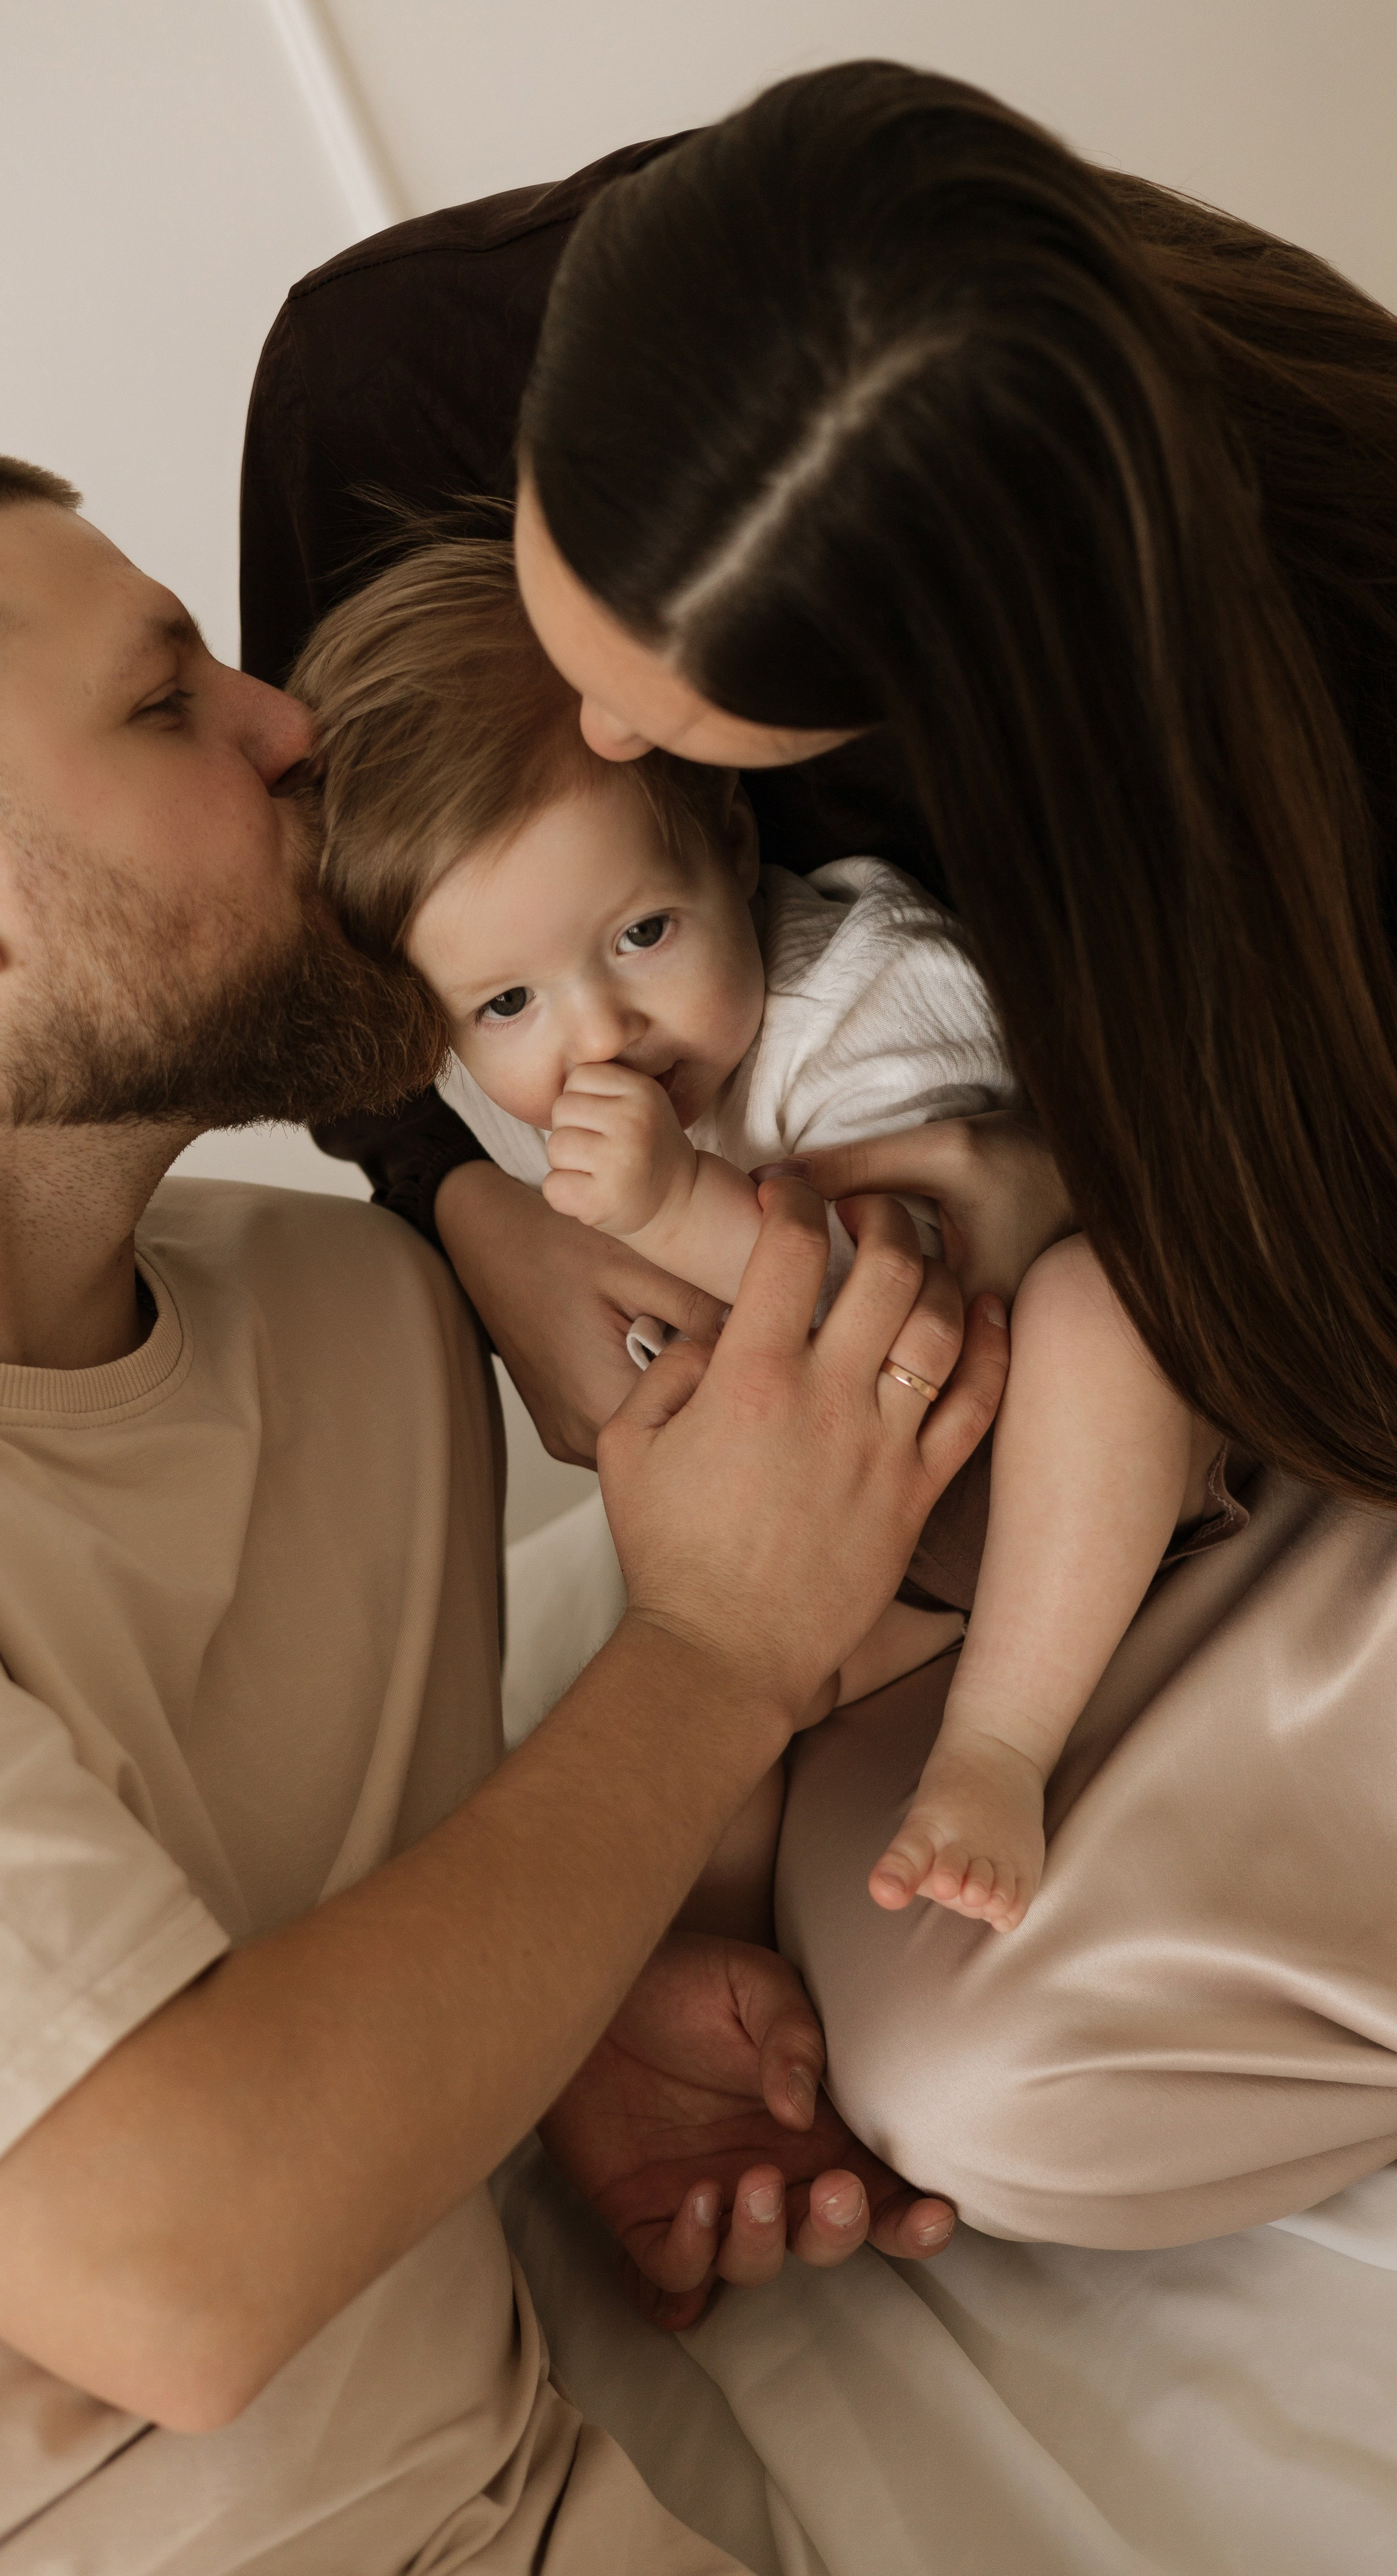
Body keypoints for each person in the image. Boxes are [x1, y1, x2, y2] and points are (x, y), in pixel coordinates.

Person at [0, 444, 1002, 2573]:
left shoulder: (366, 1325)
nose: (289, 723)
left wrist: (552, 2043)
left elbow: (310, 1974)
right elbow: (180, 2266)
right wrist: (716, 1648)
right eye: (167, 694)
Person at [242, 62, 1397, 2265]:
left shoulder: (1317, 638)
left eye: (668, 762)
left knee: (1013, 2080)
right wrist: (474, 1208)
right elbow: (367, 935)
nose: (577, 739)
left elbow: (1048, 1277)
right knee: (934, 2048)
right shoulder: (402, 380)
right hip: (931, 1497)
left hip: (1254, 1385)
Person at [293, 532, 1232, 1930]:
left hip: (1045, 1460)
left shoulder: (866, 990)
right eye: (505, 1009)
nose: (597, 1031)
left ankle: (997, 1747)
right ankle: (710, 1948)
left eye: (642, 934)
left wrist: (677, 1211)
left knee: (1108, 1315)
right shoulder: (520, 1097)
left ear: (729, 845)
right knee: (688, 1676)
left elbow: (922, 1296)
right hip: (869, 1530)